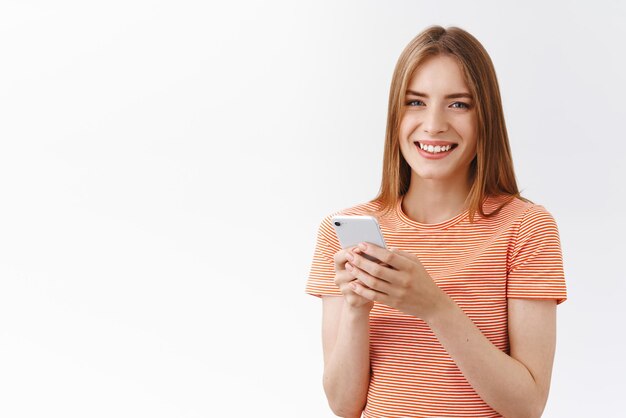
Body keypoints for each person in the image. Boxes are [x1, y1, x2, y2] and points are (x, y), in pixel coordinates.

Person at [305, 25, 567, 418]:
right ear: (396, 113)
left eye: (458, 104)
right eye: (415, 102)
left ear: (486, 118)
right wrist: (357, 309)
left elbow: (527, 405)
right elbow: (344, 405)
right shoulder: (341, 231)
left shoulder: (526, 228)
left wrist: (434, 306)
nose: (433, 124)